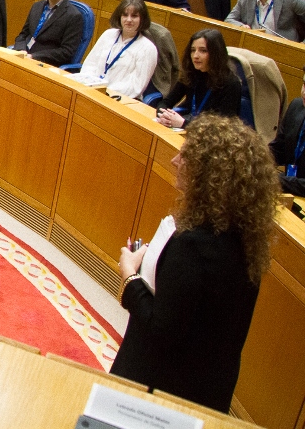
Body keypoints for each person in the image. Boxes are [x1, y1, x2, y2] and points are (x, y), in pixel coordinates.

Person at [112, 113, 278, 413]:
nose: (175, 161)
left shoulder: (191, 245)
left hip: (158, 395)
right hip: (208, 394)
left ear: (211, 174)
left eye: (186, 156)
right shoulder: (245, 240)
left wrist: (129, 275)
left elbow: (160, 329)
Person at [155, 29, 241, 128]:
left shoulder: (231, 84)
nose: (195, 56)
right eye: (193, 50)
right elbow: (166, 102)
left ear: (216, 53)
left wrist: (184, 123)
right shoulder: (191, 72)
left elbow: (223, 127)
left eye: (203, 51)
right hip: (189, 126)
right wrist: (163, 115)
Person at [76, 0, 157, 98]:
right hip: (93, 92)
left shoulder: (148, 48)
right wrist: (90, 86)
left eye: (134, 16)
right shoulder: (108, 34)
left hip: (119, 99)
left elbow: (136, 87)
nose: (129, 20)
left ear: (142, 19)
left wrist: (105, 92)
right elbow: (90, 64)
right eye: (125, 15)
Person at [13, 0, 84, 66]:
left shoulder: (73, 16)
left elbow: (66, 52)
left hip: (44, 62)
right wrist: (21, 50)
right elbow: (23, 34)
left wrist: (34, 56)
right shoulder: (37, 6)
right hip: (24, 54)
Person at [271, 68, 305, 196]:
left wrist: (276, 180)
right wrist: (254, 161)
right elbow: (278, 150)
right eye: (304, 84)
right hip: (290, 192)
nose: (304, 92)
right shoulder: (297, 106)